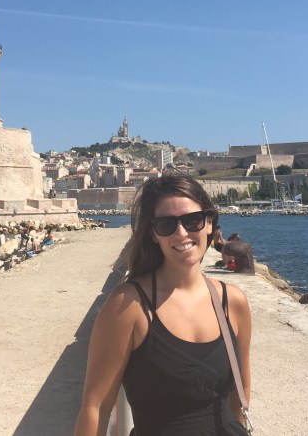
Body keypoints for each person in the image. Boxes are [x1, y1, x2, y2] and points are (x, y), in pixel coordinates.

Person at [75, 173, 252, 435]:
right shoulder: (128, 306)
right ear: (153, 233)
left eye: (192, 220)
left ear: (208, 224)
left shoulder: (232, 302)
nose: (181, 233)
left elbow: (240, 396)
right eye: (166, 224)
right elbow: (96, 408)